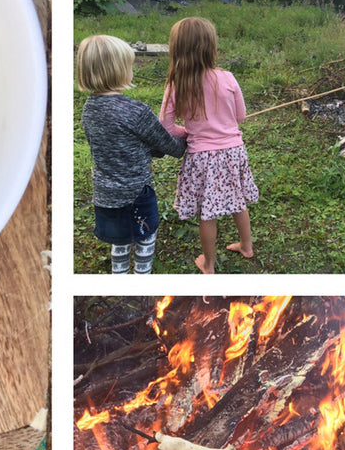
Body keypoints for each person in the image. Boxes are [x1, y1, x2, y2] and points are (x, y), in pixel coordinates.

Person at [76, 34, 187, 274]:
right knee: (145, 235)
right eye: (129, 66)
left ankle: (120, 277)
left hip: (104, 193)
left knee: (121, 239)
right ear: (119, 71)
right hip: (136, 193)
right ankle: (141, 277)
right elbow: (171, 147)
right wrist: (190, 135)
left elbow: (118, 142)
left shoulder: (88, 110)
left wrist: (148, 148)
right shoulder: (135, 111)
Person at [160, 17, 258, 273]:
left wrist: (190, 131)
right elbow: (240, 117)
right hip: (233, 152)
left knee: (207, 211)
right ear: (210, 47)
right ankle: (247, 246)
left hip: (201, 157)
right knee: (238, 200)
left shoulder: (176, 84)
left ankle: (209, 263)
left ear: (177, 49)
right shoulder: (227, 77)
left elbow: (167, 126)